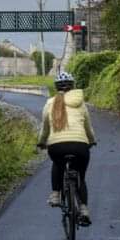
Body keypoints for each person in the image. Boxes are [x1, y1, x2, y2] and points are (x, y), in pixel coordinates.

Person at [37, 71, 96, 225]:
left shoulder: (50, 103)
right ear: (73, 86)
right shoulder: (81, 103)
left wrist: (41, 142)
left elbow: (45, 128)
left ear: (56, 88)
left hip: (57, 147)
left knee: (58, 164)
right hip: (80, 146)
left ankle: (55, 194)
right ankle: (83, 209)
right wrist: (91, 140)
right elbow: (88, 127)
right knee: (80, 177)